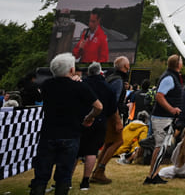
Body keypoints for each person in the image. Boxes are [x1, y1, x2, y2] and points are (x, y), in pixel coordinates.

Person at [29, 53, 103, 195]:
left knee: (41, 175)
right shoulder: (79, 87)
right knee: (63, 176)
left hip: (48, 133)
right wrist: (89, 117)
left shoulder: (46, 86)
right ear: (71, 70)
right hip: (70, 134)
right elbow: (99, 106)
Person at [90, 55, 131, 185]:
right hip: (112, 116)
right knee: (118, 141)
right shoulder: (118, 81)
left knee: (108, 143)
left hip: (105, 115)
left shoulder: (111, 78)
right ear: (125, 67)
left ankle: (97, 170)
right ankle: (99, 170)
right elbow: (114, 102)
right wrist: (117, 120)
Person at [78, 61, 117, 190]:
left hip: (81, 120)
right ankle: (85, 181)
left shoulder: (82, 84)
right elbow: (112, 108)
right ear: (101, 72)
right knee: (91, 151)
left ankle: (64, 180)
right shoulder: (108, 87)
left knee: (75, 152)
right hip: (99, 121)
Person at [149, 54, 185, 171]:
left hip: (166, 117)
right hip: (162, 117)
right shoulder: (169, 78)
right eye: (181, 61)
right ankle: (152, 174)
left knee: (164, 146)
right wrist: (171, 109)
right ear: (178, 64)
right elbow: (159, 96)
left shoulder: (172, 76)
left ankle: (154, 173)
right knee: (160, 146)